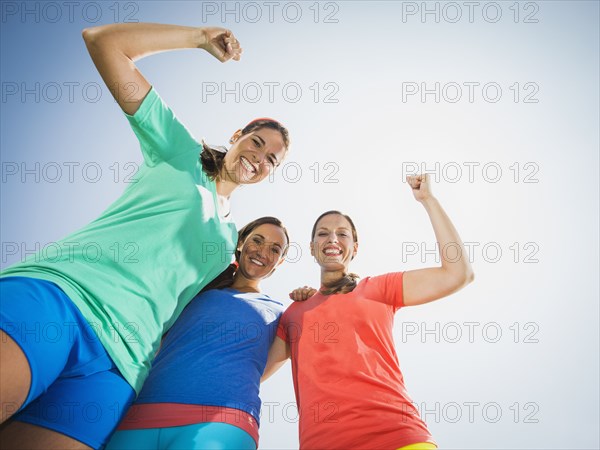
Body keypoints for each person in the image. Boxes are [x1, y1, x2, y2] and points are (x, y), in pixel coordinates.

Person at [0, 23, 289, 449]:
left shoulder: (229, 241)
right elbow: (104, 43)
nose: (259, 158)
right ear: (236, 137)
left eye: (272, 159)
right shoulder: (180, 150)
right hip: (63, 302)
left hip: (118, 370)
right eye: (256, 142)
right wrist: (199, 39)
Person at [265, 174, 475, 450]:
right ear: (313, 248)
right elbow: (252, 373)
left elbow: (458, 274)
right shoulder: (294, 313)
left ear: (355, 247)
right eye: (323, 233)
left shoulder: (377, 289)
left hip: (397, 435)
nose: (333, 238)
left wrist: (428, 200)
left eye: (342, 233)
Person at [105, 216, 289, 450]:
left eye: (274, 249)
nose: (263, 251)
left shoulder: (279, 312)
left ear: (280, 262)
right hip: (141, 413)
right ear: (241, 242)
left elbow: (262, 370)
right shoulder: (198, 287)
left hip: (222, 421)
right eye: (257, 241)